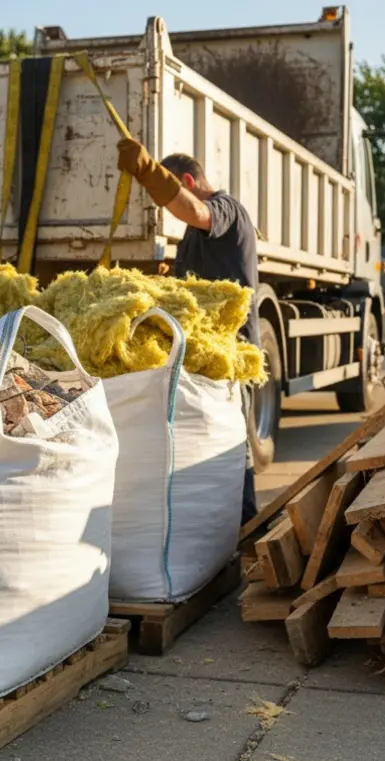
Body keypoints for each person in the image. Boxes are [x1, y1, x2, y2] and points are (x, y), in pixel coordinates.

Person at [117, 138, 259, 527]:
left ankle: (246, 528)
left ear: (187, 181)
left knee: (233, 445)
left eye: (169, 192)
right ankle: (210, 528)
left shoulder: (227, 210)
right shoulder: (193, 237)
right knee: (203, 441)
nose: (171, 209)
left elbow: (197, 211)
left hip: (231, 351)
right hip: (201, 354)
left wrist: (148, 173)